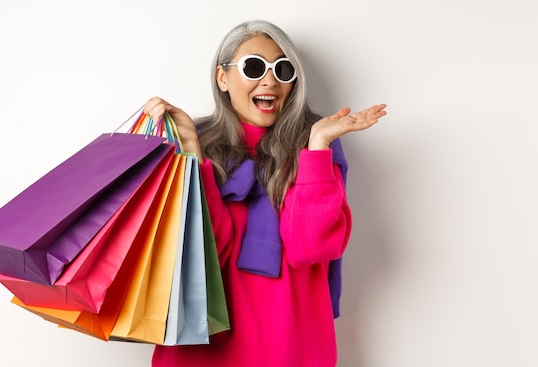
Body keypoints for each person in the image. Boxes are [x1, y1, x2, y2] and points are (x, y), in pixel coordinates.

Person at [144, 19, 387, 367]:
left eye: (283, 69)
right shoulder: (192, 142)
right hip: (202, 344)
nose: (270, 80)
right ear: (222, 77)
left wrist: (316, 147)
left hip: (290, 343)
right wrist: (192, 155)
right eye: (254, 67)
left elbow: (310, 247)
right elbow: (199, 252)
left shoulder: (317, 150)